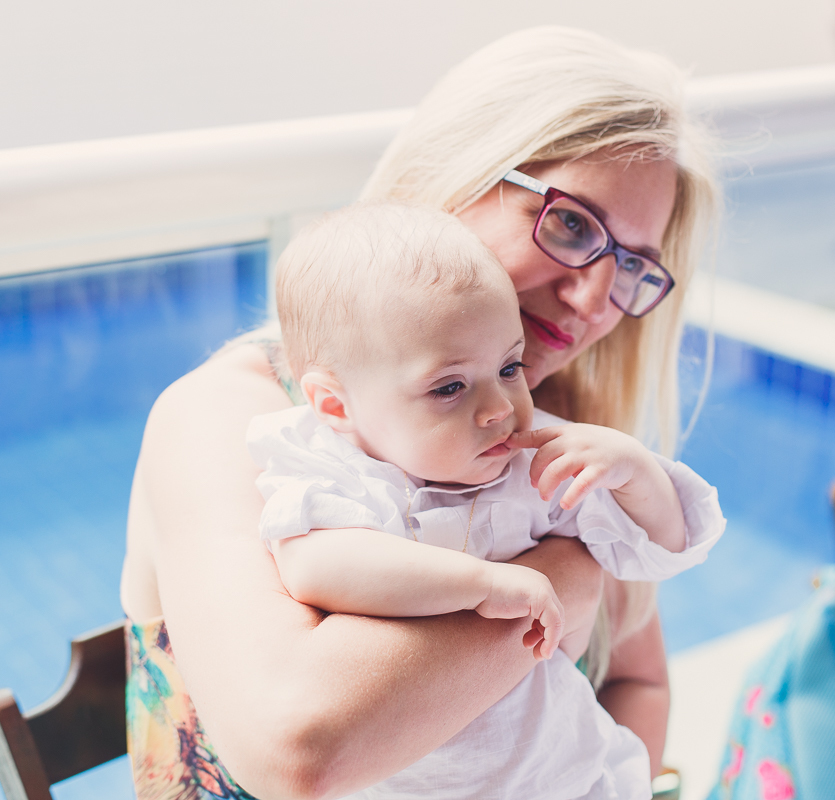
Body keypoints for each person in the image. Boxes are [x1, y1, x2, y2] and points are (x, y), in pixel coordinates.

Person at [120, 25, 717, 800]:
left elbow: (637, 679)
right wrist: (566, 575)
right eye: (572, 224)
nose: (595, 301)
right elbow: (299, 750)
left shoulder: (549, 431)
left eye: (631, 264)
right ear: (456, 172)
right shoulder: (230, 418)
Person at [249, 202, 723, 799]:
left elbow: (659, 548)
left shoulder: (530, 461)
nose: (500, 405)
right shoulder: (337, 470)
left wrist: (634, 474)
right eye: (449, 386)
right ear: (337, 407)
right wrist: (484, 584)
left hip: (561, 777)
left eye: (509, 366)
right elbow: (317, 567)